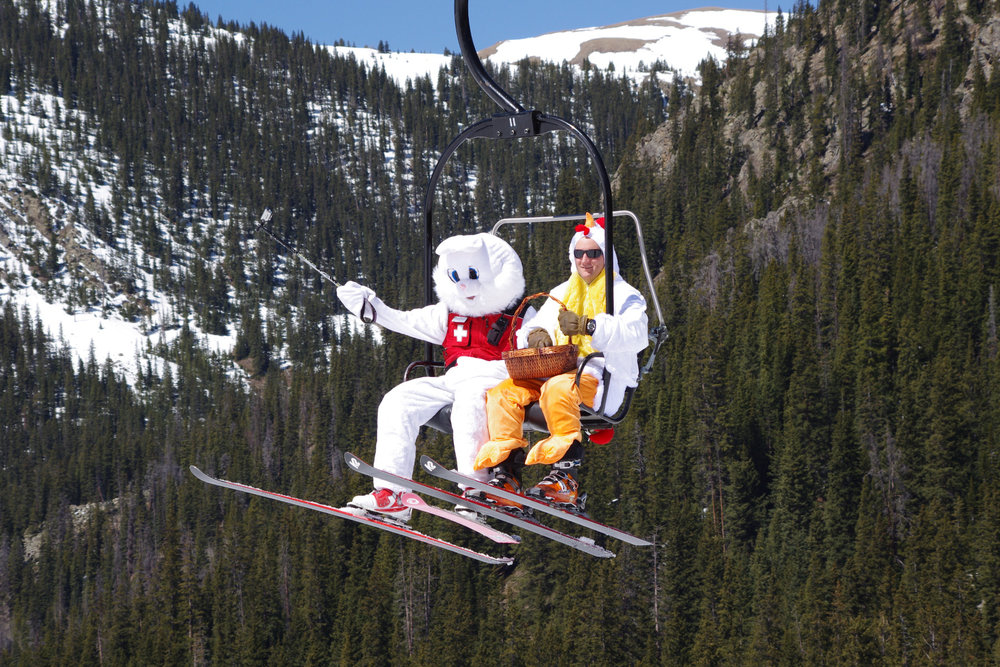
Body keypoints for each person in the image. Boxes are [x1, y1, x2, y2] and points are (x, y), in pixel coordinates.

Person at [337, 233, 525, 521]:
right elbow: (404, 320)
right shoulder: (450, 314)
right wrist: (370, 309)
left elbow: (547, 342)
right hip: (456, 377)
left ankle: (477, 488)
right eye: (457, 276)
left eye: (474, 274)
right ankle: (392, 493)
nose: (465, 285)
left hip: (496, 378)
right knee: (398, 400)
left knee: (469, 404)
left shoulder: (521, 314)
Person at [473, 214, 648, 510]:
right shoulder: (562, 291)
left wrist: (589, 326)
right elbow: (532, 325)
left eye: (594, 253)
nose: (586, 260)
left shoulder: (624, 295)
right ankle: (506, 473)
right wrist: (535, 335)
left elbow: (637, 333)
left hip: (597, 373)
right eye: (579, 253)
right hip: (552, 368)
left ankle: (565, 478)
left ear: (606, 256)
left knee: (558, 389)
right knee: (503, 393)